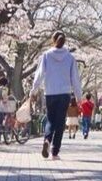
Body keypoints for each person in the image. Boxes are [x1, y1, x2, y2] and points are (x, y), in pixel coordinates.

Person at [31, 31, 83, 160]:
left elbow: (39, 74)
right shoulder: (70, 57)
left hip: (50, 92)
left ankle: (47, 140)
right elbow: (75, 79)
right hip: (64, 93)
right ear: (64, 41)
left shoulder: (46, 55)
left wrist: (33, 90)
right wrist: (78, 97)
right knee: (60, 123)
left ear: (53, 40)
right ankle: (55, 152)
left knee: (50, 120)